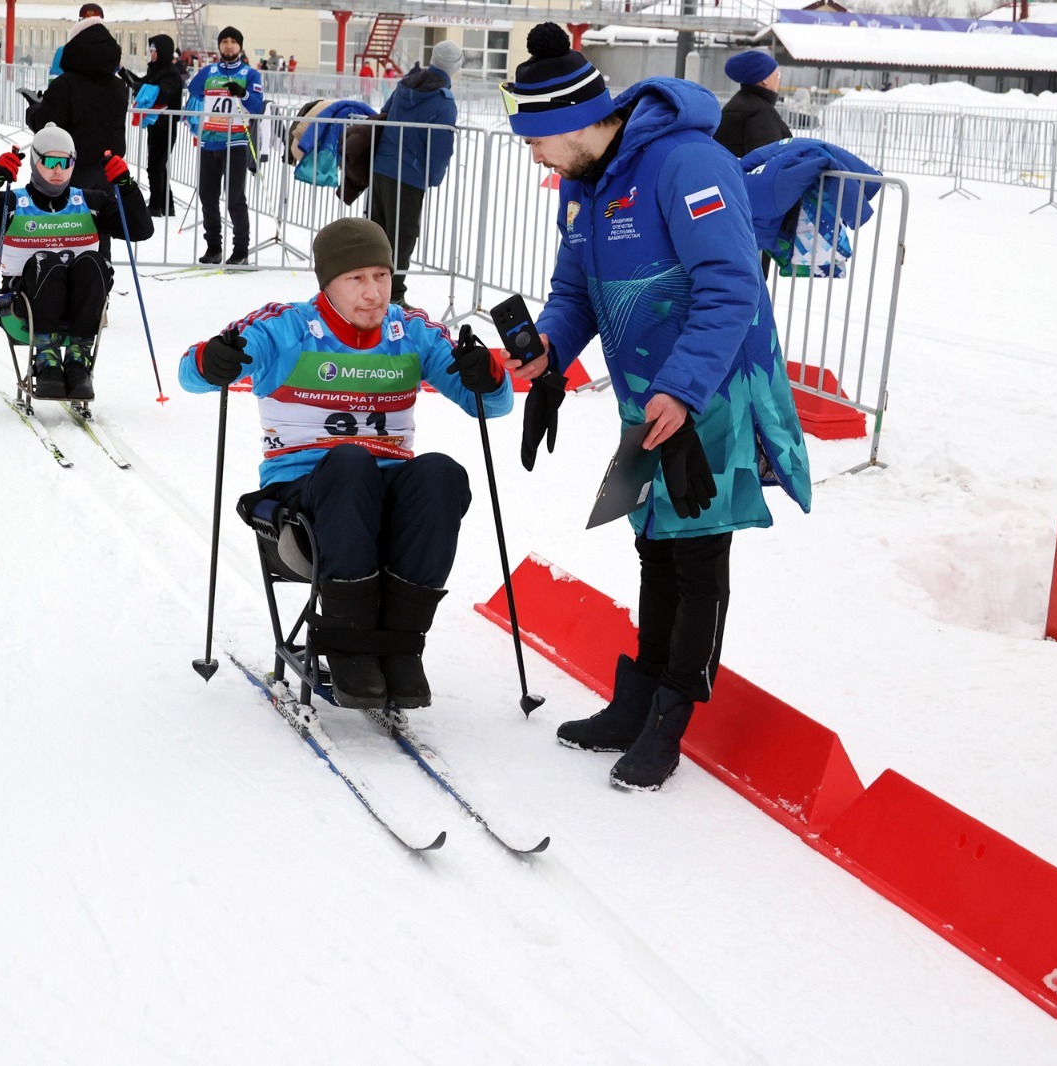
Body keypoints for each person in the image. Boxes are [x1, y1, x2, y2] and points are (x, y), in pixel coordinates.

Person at [504, 24, 811, 791]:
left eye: (536, 141)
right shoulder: (588, 182)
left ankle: (672, 717)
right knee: (652, 540)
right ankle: (637, 698)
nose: (534, 158)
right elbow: (575, 289)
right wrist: (547, 349)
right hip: (647, 391)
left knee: (698, 550)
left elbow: (732, 286)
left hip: (710, 385)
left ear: (571, 123)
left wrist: (682, 387)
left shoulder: (686, 162)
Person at [177, 218, 513, 709]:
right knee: (351, 462)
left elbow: (491, 405)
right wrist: (212, 361)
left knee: (441, 473)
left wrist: (487, 377)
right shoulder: (287, 328)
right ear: (326, 283)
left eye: (382, 275)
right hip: (306, 497)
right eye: (356, 278)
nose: (374, 293)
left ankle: (400, 646)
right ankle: (348, 641)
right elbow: (192, 372)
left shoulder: (410, 331)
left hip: (385, 497)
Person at [0, 124, 153, 401]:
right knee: (49, 262)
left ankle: (77, 361)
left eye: (65, 162)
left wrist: (127, 188)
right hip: (24, 309)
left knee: (93, 262)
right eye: (49, 161)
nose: (58, 170)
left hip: (78, 308)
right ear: (35, 161)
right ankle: (46, 359)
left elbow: (140, 230)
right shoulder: (12, 203)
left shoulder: (91, 202)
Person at [367, 39, 460, 309]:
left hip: (381, 167)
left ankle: (371, 289)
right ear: (455, 66)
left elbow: (384, 114)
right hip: (410, 175)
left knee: (378, 230)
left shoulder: (405, 84)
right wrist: (433, 177)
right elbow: (442, 147)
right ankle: (393, 294)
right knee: (403, 235)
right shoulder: (444, 101)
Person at [185, 26, 263, 265]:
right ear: (219, 46)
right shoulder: (210, 71)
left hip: (236, 142)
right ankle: (213, 248)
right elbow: (193, 89)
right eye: (224, 41)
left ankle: (240, 251)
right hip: (210, 142)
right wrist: (211, 76)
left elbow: (258, 106)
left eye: (233, 41)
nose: (228, 45)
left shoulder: (250, 74)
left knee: (235, 199)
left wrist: (243, 94)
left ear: (240, 46)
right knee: (208, 197)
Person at [27, 17, 126, 189]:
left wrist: (34, 109)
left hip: (70, 174)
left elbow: (47, 125)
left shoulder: (65, 85)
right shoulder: (119, 86)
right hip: (110, 174)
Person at [713, 50, 791, 160]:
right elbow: (766, 160)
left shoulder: (736, 104)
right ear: (765, 79)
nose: (779, 80)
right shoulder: (762, 112)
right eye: (777, 74)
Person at [140, 33, 185, 215]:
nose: (151, 53)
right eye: (150, 50)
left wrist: (142, 90)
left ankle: (156, 205)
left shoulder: (171, 73)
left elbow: (161, 94)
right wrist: (122, 72)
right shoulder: (155, 70)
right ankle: (167, 205)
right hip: (154, 123)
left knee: (156, 166)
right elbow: (140, 84)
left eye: (154, 50)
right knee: (158, 165)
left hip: (166, 125)